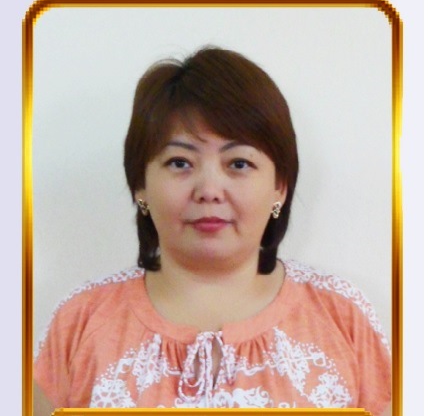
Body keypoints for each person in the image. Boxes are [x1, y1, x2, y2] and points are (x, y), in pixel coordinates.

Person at [34, 46, 391, 413]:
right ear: (141, 185)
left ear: (279, 187)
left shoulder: (341, 317)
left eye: (238, 163)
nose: (208, 190)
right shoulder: (80, 322)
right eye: (180, 162)